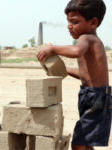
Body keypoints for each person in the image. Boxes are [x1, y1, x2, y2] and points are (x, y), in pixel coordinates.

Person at [37, 0, 112, 150]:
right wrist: (65, 71)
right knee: (86, 141)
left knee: (78, 143)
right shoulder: (90, 41)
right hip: (92, 95)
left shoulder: (86, 38)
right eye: (68, 21)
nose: (69, 26)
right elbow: (87, 75)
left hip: (95, 98)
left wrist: (53, 48)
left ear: (93, 23)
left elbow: (76, 51)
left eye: (75, 21)